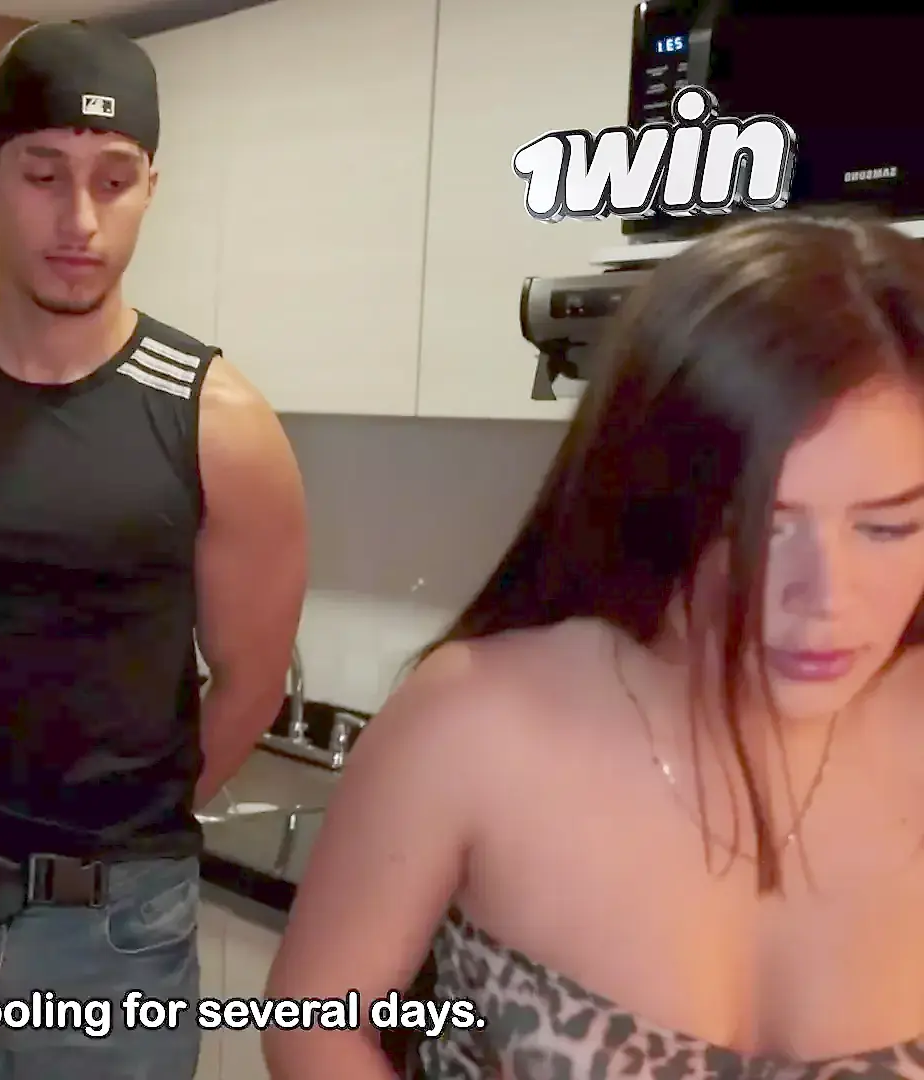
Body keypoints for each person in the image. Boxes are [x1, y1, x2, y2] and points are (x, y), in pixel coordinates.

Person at [263, 213, 924, 1079]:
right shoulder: (476, 721)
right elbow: (314, 1025)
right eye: (756, 527)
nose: (827, 597)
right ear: (653, 499)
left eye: (889, 527)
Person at [0, 19, 307, 1080]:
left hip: (118, 937)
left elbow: (252, 683)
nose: (79, 219)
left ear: (150, 188)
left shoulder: (221, 425)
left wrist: (115, 832)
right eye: (43, 176)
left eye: (113, 180)